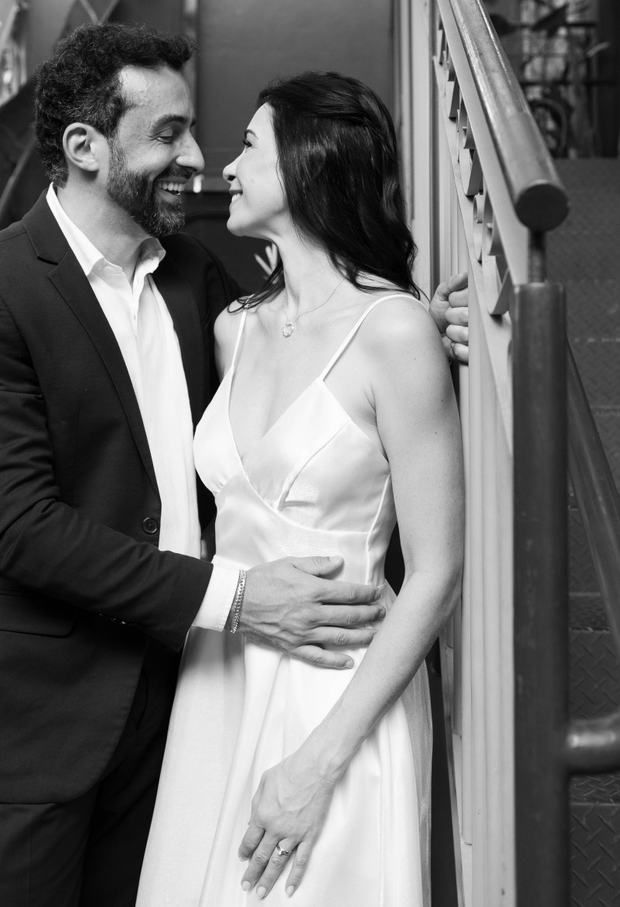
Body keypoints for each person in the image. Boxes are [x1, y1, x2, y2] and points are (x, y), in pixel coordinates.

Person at [0, 25, 467, 907]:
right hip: (44, 715)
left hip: (187, 702)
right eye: (168, 133)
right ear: (86, 147)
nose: (198, 159)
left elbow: (312, 364)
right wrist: (238, 601)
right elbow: (18, 529)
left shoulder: (193, 280)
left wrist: (421, 329)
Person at [136, 72, 465, 906]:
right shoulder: (232, 327)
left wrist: (318, 763)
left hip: (339, 689)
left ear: (309, 163)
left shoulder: (396, 332)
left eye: (249, 145)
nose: (225, 167)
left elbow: (436, 573)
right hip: (217, 678)